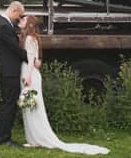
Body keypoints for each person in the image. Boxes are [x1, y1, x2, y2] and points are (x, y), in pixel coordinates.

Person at [18, 15, 110, 154]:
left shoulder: (30, 39)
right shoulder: (31, 38)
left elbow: (31, 59)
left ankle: (37, 138)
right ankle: (33, 138)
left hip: (29, 74)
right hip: (29, 72)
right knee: (30, 106)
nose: (20, 21)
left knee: (32, 107)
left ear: (29, 24)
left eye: (23, 20)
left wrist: (28, 77)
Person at [0, 1, 40, 146]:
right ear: (13, 10)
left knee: (7, 104)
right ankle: (4, 139)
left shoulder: (4, 24)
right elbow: (15, 48)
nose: (19, 19)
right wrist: (32, 60)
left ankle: (0, 137)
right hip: (8, 72)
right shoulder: (3, 26)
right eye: (19, 16)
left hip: (7, 70)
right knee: (9, 105)